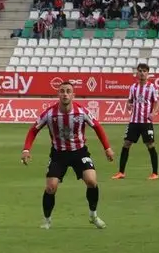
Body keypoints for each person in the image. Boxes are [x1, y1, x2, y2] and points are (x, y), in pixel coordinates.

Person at [21, 81, 114, 229]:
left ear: (73, 95)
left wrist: (107, 148)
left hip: (79, 152)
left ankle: (93, 215)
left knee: (91, 181)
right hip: (59, 154)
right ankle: (47, 220)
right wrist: (26, 149)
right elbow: (34, 130)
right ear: (58, 94)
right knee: (51, 187)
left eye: (68, 91)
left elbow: (97, 127)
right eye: (62, 91)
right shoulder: (50, 113)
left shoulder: (81, 112)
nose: (65, 94)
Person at [112, 63, 159, 180]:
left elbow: (157, 102)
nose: (142, 73)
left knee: (150, 145)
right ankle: (121, 172)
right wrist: (128, 105)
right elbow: (129, 101)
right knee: (126, 144)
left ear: (148, 73)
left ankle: (155, 173)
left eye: (144, 71)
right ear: (137, 73)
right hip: (134, 121)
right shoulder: (133, 87)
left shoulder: (152, 88)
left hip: (146, 122)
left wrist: (153, 113)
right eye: (140, 71)